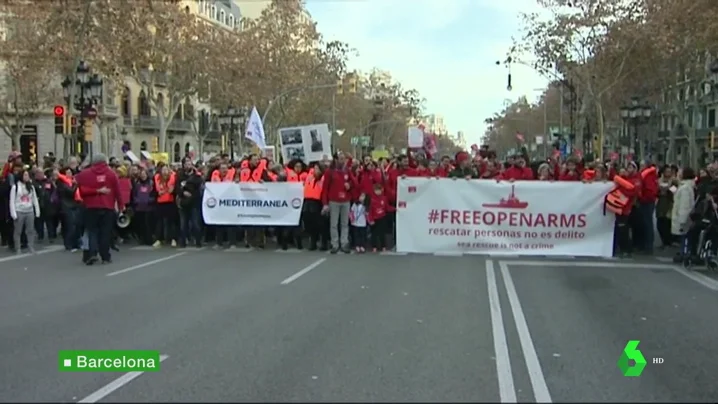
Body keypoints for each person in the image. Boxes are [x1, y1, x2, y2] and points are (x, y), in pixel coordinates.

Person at [75, 153, 124, 265]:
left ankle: (92, 254)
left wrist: (94, 190)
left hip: (91, 207)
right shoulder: (111, 174)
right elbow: (117, 191)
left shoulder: (85, 174)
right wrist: (121, 206)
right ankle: (105, 256)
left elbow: (79, 187)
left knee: (92, 232)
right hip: (107, 207)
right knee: (105, 233)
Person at [321, 152, 356, 254]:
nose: (343, 161)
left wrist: (349, 184)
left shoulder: (347, 171)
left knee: (345, 223)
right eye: (341, 159)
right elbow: (325, 189)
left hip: (346, 201)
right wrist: (325, 203)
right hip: (334, 201)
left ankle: (344, 243)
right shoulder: (330, 172)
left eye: (344, 159)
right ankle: (335, 244)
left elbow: (354, 182)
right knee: (334, 224)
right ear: (336, 160)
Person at [9, 170, 40, 254]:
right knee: (18, 231)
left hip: (29, 211)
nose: (26, 177)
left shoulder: (31, 187)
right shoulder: (15, 187)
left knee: (30, 230)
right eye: (25, 175)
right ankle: (18, 247)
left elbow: (34, 199)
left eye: (27, 175)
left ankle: (31, 246)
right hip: (19, 210)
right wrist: (13, 214)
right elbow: (12, 201)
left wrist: (37, 211)